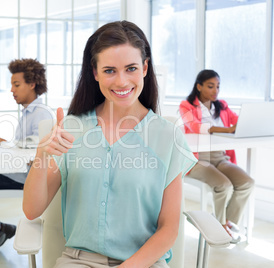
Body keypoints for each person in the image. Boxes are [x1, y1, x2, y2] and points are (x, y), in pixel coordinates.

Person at [23, 21, 197, 268]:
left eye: (131, 68)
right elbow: (32, 209)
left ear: (145, 68)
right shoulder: (72, 128)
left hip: (144, 263)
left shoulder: (168, 137)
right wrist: (41, 154)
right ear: (94, 72)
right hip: (79, 262)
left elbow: (168, 228)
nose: (122, 81)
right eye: (109, 70)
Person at [0, 58, 54, 261]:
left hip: (22, 177)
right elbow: (22, 146)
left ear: (32, 84)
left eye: (16, 84)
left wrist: (0, 143)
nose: (11, 90)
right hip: (15, 171)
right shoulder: (29, 112)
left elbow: (34, 154)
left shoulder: (41, 115)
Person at [179, 69, 254, 243]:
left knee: (246, 183)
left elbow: (237, 121)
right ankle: (219, 228)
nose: (215, 91)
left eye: (218, 87)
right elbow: (195, 127)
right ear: (199, 86)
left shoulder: (223, 106)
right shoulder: (187, 106)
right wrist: (226, 129)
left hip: (220, 158)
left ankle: (228, 223)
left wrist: (246, 122)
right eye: (210, 86)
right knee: (224, 185)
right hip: (198, 160)